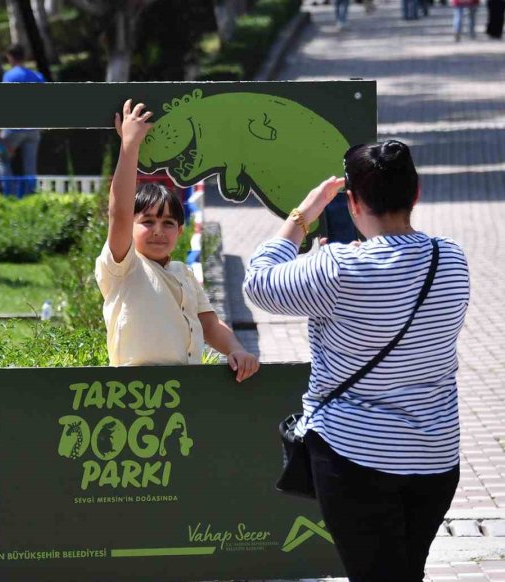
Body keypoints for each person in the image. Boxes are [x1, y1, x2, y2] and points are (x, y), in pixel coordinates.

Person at [244, 141, 470, 582]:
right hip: (435, 457)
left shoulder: (337, 268)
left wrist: (301, 217)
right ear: (416, 193)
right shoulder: (452, 259)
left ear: (352, 201)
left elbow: (259, 282)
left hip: (356, 458)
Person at [95, 99, 260, 380]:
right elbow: (119, 212)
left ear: (180, 231)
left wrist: (237, 349)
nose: (159, 230)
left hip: (184, 396)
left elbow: (208, 324)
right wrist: (130, 145)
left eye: (168, 223)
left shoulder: (183, 272)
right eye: (147, 222)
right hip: (135, 396)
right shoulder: (124, 265)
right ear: (130, 228)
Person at [0, 44, 46, 195]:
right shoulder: (37, 76)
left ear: (10, 57)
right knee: (30, 165)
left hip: (14, 127)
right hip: (33, 127)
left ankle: (9, 193)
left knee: (1, 157)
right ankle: (30, 194)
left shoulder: (9, 76)